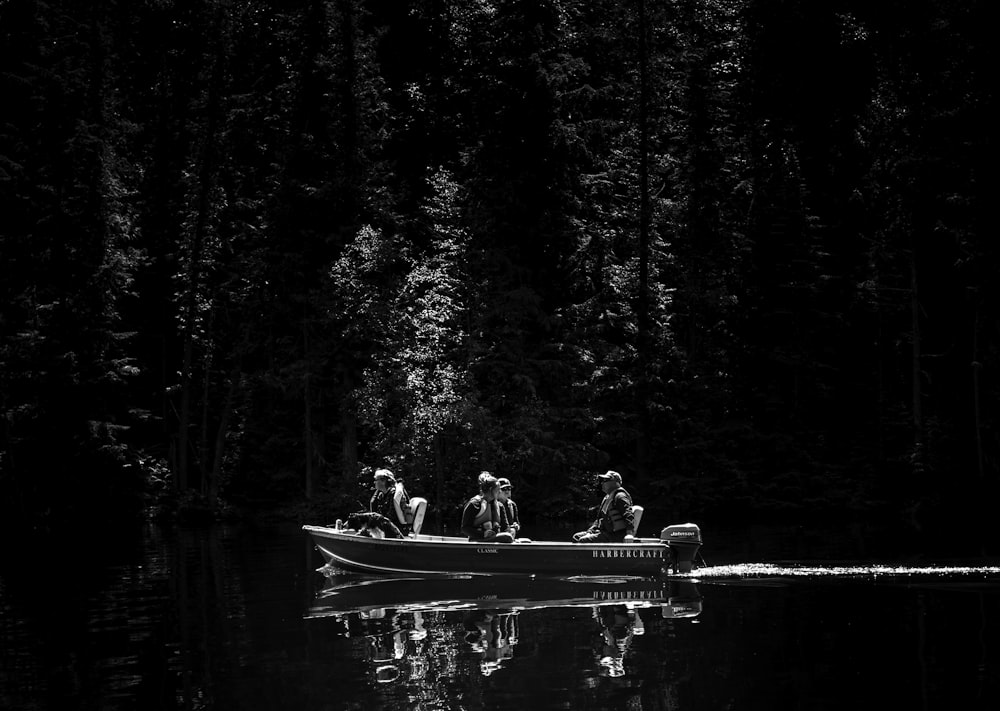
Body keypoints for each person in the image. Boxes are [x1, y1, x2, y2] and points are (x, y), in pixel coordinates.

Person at [572, 470, 635, 543]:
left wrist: (629, 534)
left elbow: (628, 514)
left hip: (616, 535)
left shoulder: (620, 496)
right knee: (576, 537)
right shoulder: (607, 498)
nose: (603, 483)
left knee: (583, 540)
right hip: (604, 532)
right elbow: (598, 520)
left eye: (606, 480)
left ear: (616, 483)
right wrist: (590, 532)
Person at [461, 473, 513, 542]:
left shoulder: (500, 506)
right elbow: (465, 528)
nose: (500, 491)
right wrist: (483, 534)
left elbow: (505, 528)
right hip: (478, 541)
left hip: (495, 541)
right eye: (498, 489)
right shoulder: (474, 504)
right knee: (507, 537)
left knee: (514, 538)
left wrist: (511, 530)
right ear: (491, 489)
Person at [370, 468, 412, 534]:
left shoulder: (392, 493)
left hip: (397, 530)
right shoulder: (381, 495)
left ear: (383, 481)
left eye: (376, 480)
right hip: (387, 527)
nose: (374, 482)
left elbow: (391, 517)